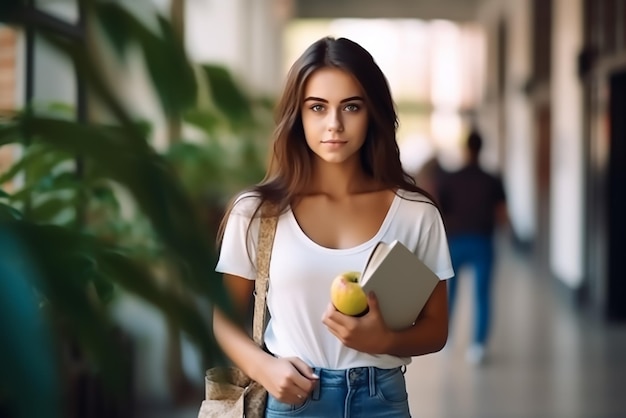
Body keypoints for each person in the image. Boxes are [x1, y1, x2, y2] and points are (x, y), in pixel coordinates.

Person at [212, 36, 454, 417]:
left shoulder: (415, 213)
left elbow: (437, 329)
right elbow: (223, 318)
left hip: (383, 400)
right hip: (292, 399)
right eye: (317, 107)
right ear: (298, 116)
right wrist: (265, 368)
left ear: (372, 113)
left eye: (351, 107)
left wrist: (385, 338)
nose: (334, 124)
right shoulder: (258, 212)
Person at [436, 128, 508, 365]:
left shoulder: (451, 178)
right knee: (482, 295)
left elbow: (440, 211)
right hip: (482, 242)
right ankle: (477, 346)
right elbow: (502, 214)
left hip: (456, 242)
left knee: (450, 294)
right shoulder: (492, 179)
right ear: (481, 148)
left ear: (466, 149)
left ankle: (446, 340)